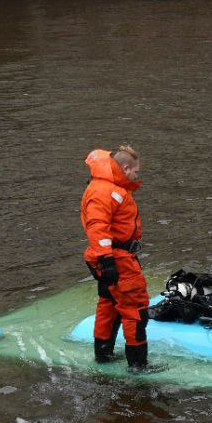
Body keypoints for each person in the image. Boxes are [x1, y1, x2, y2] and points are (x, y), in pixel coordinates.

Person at [81, 145, 157, 372]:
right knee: (135, 308)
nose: (137, 176)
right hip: (116, 258)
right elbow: (97, 227)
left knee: (110, 304)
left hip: (111, 256)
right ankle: (138, 365)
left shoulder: (108, 186)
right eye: (136, 171)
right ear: (125, 168)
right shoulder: (105, 191)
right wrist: (107, 260)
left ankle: (103, 354)